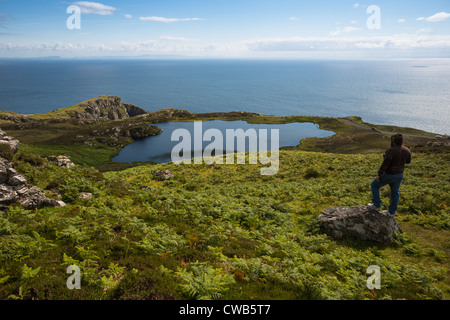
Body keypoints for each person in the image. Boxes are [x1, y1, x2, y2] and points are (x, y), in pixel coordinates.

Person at [368, 133, 411, 216]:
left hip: (389, 174)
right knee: (395, 192)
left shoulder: (391, 150)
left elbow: (385, 164)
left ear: (393, 140)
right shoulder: (406, 150)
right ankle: (391, 212)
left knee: (374, 185)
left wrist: (379, 174)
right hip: (399, 175)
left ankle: (376, 205)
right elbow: (408, 161)